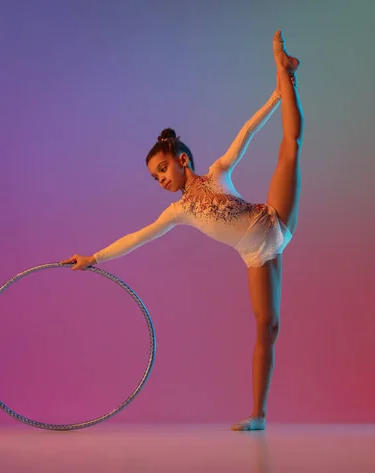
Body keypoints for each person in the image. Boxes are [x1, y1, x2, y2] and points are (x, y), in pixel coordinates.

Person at [61, 30, 303, 431]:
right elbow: (135, 238)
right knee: (268, 326)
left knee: (290, 146)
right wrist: (94, 258)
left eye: (162, 170)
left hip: (273, 218)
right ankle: (259, 414)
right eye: (155, 177)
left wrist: (278, 94)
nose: (160, 180)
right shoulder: (177, 213)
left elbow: (246, 131)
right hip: (257, 254)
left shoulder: (218, 173)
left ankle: (286, 72)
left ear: (182, 159)